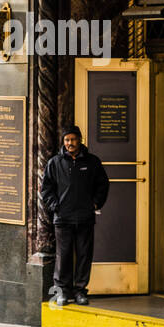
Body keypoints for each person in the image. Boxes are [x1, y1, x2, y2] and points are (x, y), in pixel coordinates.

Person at [39, 125, 110, 306]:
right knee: (63, 256)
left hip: (85, 218)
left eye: (73, 139)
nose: (70, 143)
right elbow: (46, 189)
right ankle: (61, 291)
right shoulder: (55, 163)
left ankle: (80, 291)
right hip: (63, 218)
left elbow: (103, 185)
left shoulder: (92, 162)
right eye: (67, 140)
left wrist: (95, 204)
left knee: (84, 255)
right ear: (64, 142)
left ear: (80, 140)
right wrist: (56, 207)